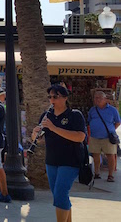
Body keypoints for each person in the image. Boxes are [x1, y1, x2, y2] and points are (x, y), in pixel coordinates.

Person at [31, 84, 86, 222]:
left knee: (61, 194)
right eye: (50, 97)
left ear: (65, 98)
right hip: (52, 161)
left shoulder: (74, 115)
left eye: (55, 97)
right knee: (59, 195)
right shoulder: (47, 115)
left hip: (70, 161)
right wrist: (35, 134)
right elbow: (40, 140)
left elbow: (80, 137)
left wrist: (54, 128)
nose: (52, 100)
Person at [87, 90, 120, 182]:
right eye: (95, 98)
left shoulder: (112, 110)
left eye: (99, 98)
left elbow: (118, 122)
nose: (97, 100)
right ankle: (97, 173)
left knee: (110, 156)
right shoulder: (93, 110)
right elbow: (89, 121)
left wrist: (110, 129)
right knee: (95, 155)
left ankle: (110, 175)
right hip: (94, 136)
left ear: (105, 99)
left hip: (107, 137)